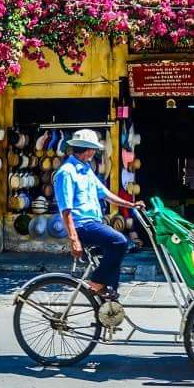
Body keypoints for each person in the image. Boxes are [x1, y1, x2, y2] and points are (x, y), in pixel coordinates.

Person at [54, 129, 143, 301]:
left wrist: (131, 204)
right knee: (120, 241)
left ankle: (108, 306)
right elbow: (66, 210)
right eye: (93, 149)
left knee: (114, 259)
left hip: (93, 223)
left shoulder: (86, 170)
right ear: (87, 149)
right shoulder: (66, 172)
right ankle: (96, 283)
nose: (94, 152)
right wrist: (74, 240)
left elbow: (105, 194)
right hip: (82, 226)